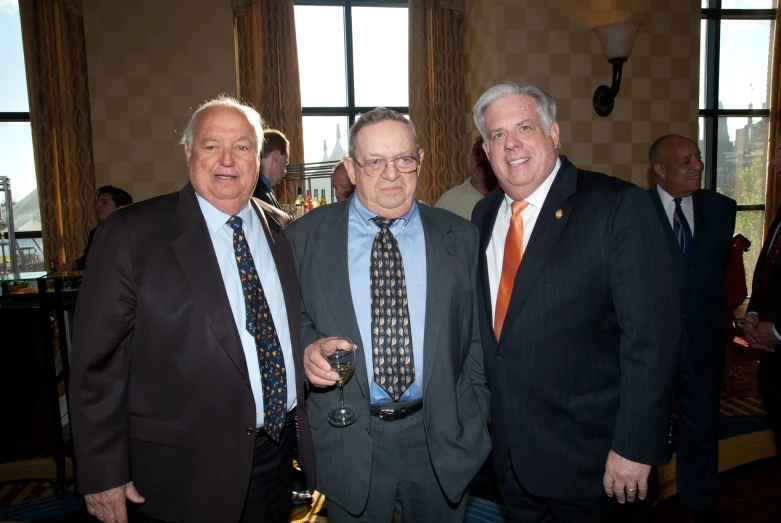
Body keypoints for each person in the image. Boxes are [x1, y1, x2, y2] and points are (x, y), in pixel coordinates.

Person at [69, 95, 315, 523]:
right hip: (178, 471)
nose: (227, 160)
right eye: (210, 145)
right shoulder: (132, 235)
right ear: (188, 152)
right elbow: (96, 366)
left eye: (241, 146)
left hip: (275, 458)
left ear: (257, 157)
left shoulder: (285, 231)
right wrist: (102, 471)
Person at [471, 82, 681, 522]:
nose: (511, 144)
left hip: (596, 463)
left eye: (524, 127)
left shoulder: (617, 206)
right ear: (487, 152)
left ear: (554, 134)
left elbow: (653, 338)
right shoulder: (484, 214)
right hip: (513, 462)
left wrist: (635, 446)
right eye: (496, 135)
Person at [287, 107, 490, 522]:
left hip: (440, 438)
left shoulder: (461, 236)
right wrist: (308, 346)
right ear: (351, 168)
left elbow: (475, 340)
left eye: (403, 159)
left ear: (420, 159)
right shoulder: (304, 236)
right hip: (347, 439)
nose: (392, 174)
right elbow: (289, 320)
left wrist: (474, 412)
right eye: (375, 161)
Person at [647, 134, 736, 522]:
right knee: (646, 428)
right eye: (685, 161)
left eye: (697, 157)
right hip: (652, 346)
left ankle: (698, 503)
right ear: (660, 170)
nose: (697, 165)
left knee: (701, 428)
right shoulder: (634, 209)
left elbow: (714, 275)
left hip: (703, 340)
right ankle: (640, 499)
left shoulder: (722, 209)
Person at [745, 137, 781, 470]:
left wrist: (780, 331)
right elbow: (768, 271)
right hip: (773, 363)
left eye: (780, 152)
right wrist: (755, 312)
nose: (773, 163)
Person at [65, 185, 132, 271]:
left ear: (120, 208)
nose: (97, 205)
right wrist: (74, 264)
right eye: (98, 202)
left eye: (104, 202)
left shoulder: (131, 232)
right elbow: (88, 260)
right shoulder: (95, 233)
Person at [435, 135, 497, 219]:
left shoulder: (509, 196)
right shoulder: (447, 202)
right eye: (477, 154)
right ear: (468, 159)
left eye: (487, 154)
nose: (481, 159)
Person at [253, 128, 289, 208]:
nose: (285, 171)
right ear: (276, 156)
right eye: (285, 164)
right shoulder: (261, 195)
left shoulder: (258, 189)